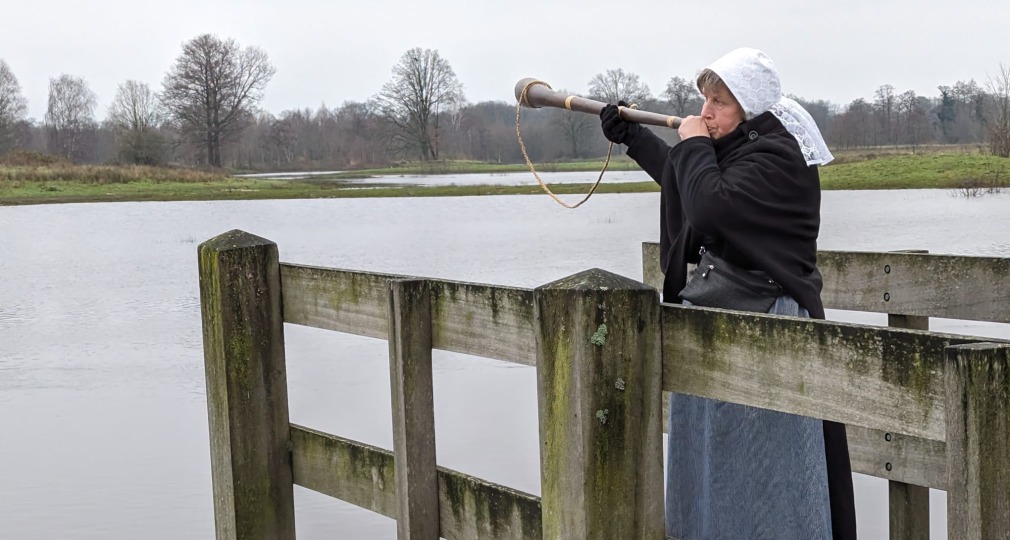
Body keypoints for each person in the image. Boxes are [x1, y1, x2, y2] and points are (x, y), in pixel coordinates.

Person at [599, 47, 856, 539]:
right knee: (713, 476)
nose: (706, 113)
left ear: (750, 106)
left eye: (719, 102)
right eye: (705, 101)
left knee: (770, 480)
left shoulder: (779, 158)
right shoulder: (744, 147)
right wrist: (633, 136)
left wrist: (693, 144)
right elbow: (686, 178)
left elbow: (710, 208)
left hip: (772, 332)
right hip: (723, 320)